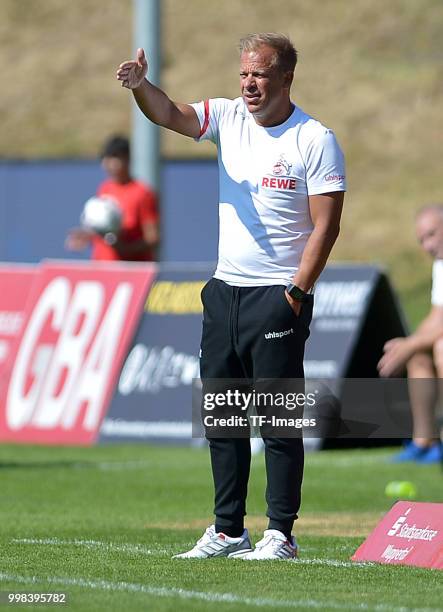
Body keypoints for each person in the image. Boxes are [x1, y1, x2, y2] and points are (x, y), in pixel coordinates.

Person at [117, 33, 345, 560]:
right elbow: (170, 113)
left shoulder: (314, 138)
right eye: (244, 73)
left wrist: (295, 291)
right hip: (225, 292)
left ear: (286, 78)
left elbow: (326, 226)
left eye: (260, 74)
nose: (249, 83)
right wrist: (140, 86)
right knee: (222, 415)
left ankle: (280, 534)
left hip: (277, 295)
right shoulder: (227, 117)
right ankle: (227, 529)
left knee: (276, 420)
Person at [378, 204, 443, 463]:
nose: (427, 245)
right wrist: (410, 344)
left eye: (432, 234)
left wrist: (410, 344)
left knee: (440, 348)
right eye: (422, 240)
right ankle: (424, 443)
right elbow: (438, 315)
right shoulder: (441, 264)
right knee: (418, 355)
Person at [66, 135, 159, 261]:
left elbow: (153, 239)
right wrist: (86, 235)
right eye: (106, 159)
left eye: (114, 158)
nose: (108, 164)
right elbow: (103, 231)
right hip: (103, 266)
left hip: (131, 272)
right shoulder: (105, 188)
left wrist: (126, 249)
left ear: (127, 159)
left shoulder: (143, 193)